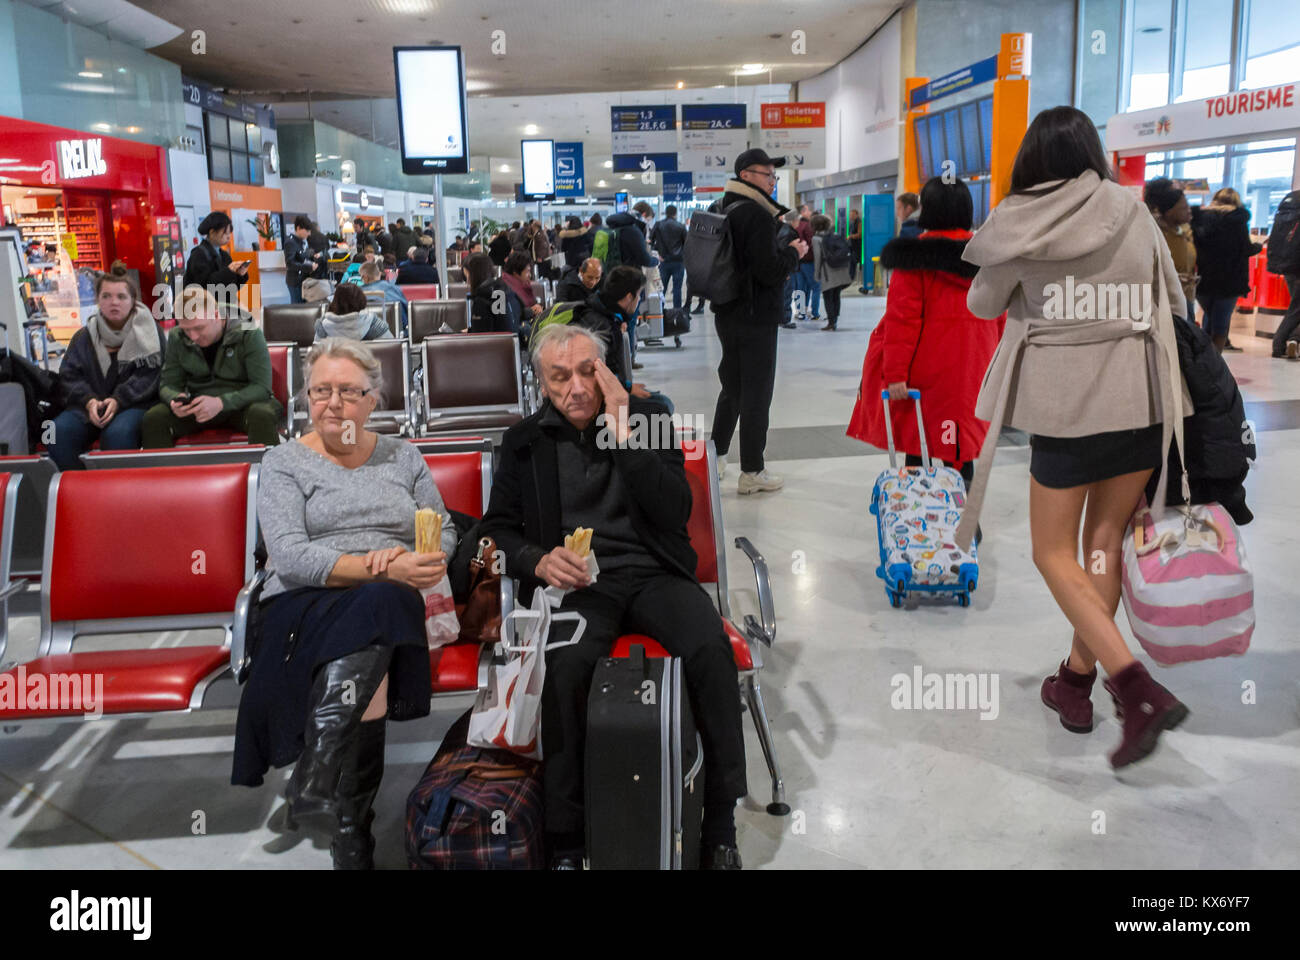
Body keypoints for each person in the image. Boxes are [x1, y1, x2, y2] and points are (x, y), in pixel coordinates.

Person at [955, 105, 1190, 769]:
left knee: (1052, 552)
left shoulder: (1017, 217)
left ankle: (1134, 685)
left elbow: (982, 303)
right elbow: (1173, 302)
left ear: (1031, 157)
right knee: (1101, 545)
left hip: (1064, 408)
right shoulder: (1131, 207)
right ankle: (1076, 682)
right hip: (1140, 396)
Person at [479, 323, 746, 870]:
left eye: (587, 372)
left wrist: (624, 431)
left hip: (656, 574)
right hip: (579, 583)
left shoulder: (647, 422)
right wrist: (536, 559)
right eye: (560, 377)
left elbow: (673, 510)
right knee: (565, 667)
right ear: (541, 383)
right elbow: (493, 536)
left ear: (607, 373)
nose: (576, 388)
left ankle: (719, 821)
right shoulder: (525, 443)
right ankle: (568, 838)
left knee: (709, 652)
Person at [232, 337, 456, 869]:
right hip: (305, 604)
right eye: (321, 390)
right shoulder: (284, 462)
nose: (333, 403)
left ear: (374, 398)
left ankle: (326, 782)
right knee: (384, 600)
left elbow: (442, 527)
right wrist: (385, 565)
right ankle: (351, 824)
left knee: (382, 604)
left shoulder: (403, 456)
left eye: (348, 392)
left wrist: (428, 559)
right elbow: (289, 558)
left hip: (389, 600)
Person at [846, 177, 1003, 527]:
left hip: (926, 373)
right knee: (960, 444)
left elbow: (902, 321)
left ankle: (920, 523)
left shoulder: (912, 259)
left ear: (926, 210)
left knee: (922, 443)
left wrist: (895, 374)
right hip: (975, 370)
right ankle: (963, 522)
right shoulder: (990, 261)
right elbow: (1002, 318)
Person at [710, 148, 806, 494]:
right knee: (757, 392)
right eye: (769, 175)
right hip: (755, 316)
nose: (773, 182)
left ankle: (715, 457)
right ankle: (752, 470)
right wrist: (794, 253)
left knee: (733, 387)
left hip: (728, 311)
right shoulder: (755, 213)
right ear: (747, 175)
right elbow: (769, 270)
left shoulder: (722, 207)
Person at [48, 263, 163, 470]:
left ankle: (118, 496)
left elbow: (151, 376)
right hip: (89, 406)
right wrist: (89, 401)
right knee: (56, 432)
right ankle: (77, 490)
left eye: (121, 297)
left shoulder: (149, 333)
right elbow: (69, 376)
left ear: (133, 300)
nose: (114, 303)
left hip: (133, 404)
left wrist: (118, 400)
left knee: (117, 434)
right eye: (106, 296)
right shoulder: (84, 336)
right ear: (97, 300)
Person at [142, 285, 282, 448]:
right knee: (154, 419)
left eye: (199, 328)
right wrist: (174, 399)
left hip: (243, 404)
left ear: (216, 315)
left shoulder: (248, 332)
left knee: (261, 414)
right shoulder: (177, 336)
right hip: (197, 405)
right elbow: (168, 384)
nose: (193, 336)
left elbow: (261, 388)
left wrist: (221, 403)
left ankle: (267, 471)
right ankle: (162, 473)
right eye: (186, 329)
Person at [579, 265, 672, 412]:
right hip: (599, 402)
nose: (640, 300)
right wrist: (627, 388)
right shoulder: (605, 327)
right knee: (663, 406)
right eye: (639, 295)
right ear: (629, 297)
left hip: (604, 392)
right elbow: (599, 372)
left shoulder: (601, 312)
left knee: (660, 401)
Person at [1190, 187, 1260, 353]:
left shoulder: (1201, 218)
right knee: (1220, 323)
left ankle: (1204, 359)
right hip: (1230, 280)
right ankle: (1214, 364)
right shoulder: (1237, 220)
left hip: (1204, 279)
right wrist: (1257, 246)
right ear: (1236, 201)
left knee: (1209, 316)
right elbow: (1244, 248)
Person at [1144, 178, 1196, 320]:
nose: (1189, 211)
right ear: (1168, 211)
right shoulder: (1154, 232)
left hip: (1185, 295)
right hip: (1165, 301)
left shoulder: (1184, 230)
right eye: (1184, 208)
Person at [182, 211, 249, 310]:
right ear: (212, 232)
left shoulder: (224, 255)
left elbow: (232, 288)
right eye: (225, 233)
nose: (228, 237)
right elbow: (206, 286)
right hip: (202, 310)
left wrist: (240, 275)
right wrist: (228, 272)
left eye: (229, 233)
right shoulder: (198, 255)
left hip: (223, 310)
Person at [1269, 189, 1300, 359]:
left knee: (1296, 307)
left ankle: (1294, 340)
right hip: (1297, 266)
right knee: (1296, 310)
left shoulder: (1291, 203)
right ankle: (1279, 344)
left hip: (1288, 265)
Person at [811, 213, 852, 331]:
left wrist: (816, 274)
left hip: (827, 271)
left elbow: (818, 257)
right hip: (840, 269)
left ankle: (831, 323)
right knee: (836, 296)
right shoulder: (834, 235)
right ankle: (835, 320)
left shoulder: (816, 238)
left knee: (828, 296)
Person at [316, 283, 392, 342]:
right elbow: (390, 348)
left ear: (335, 301)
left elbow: (316, 353)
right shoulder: (374, 325)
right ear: (361, 300)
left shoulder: (323, 327)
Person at [650, 204, 687, 312]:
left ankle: (659, 312)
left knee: (661, 289)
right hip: (678, 262)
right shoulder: (681, 226)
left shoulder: (658, 225)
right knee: (677, 290)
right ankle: (677, 314)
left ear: (666, 213)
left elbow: (650, 241)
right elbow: (687, 244)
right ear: (675, 213)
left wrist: (657, 255)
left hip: (663, 261)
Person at [357, 261, 408, 333]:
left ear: (365, 277)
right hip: (396, 335)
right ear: (379, 274)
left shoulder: (357, 293)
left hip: (365, 336)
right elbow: (406, 312)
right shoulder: (395, 289)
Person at [284, 215, 321, 305]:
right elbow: (290, 264)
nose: (309, 234)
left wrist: (312, 257)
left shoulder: (301, 241)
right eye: (307, 231)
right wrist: (308, 267)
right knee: (298, 310)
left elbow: (301, 257)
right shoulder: (290, 242)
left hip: (303, 281)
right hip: (295, 281)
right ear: (298, 228)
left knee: (304, 308)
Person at [793, 204, 820, 323]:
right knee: (816, 286)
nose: (810, 212)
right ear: (803, 212)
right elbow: (811, 243)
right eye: (808, 210)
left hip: (797, 261)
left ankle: (800, 312)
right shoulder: (807, 226)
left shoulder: (795, 225)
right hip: (809, 261)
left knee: (800, 288)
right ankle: (814, 313)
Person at [847, 207, 864, 286]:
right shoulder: (852, 223)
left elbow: (860, 234)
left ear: (857, 215)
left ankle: (852, 278)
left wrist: (851, 236)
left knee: (854, 262)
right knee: (852, 263)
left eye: (852, 215)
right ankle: (851, 278)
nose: (851, 216)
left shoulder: (859, 222)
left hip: (857, 247)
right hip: (852, 246)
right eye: (850, 215)